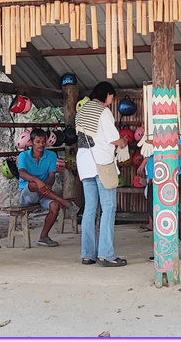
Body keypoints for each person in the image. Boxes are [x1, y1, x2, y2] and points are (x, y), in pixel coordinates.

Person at [74, 81, 128, 267]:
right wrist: (123, 142)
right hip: (101, 164)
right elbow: (112, 138)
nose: (111, 102)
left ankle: (88, 254)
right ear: (106, 95)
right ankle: (106, 254)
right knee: (108, 207)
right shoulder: (103, 111)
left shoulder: (82, 110)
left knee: (90, 209)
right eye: (111, 97)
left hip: (84, 163)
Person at [17, 128, 78, 247]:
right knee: (32, 184)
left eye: (43, 141)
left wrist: (46, 186)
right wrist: (37, 180)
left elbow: (51, 177)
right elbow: (22, 173)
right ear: (31, 142)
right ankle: (64, 202)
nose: (41, 144)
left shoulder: (51, 155)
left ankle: (43, 237)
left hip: (45, 191)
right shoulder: (23, 155)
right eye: (38, 142)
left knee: (55, 206)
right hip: (28, 194)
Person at [137, 149, 181, 260]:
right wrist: (145, 162)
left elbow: (177, 152)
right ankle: (162, 248)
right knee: (153, 212)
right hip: (153, 177)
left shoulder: (178, 134)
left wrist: (154, 148)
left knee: (170, 213)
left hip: (170, 176)